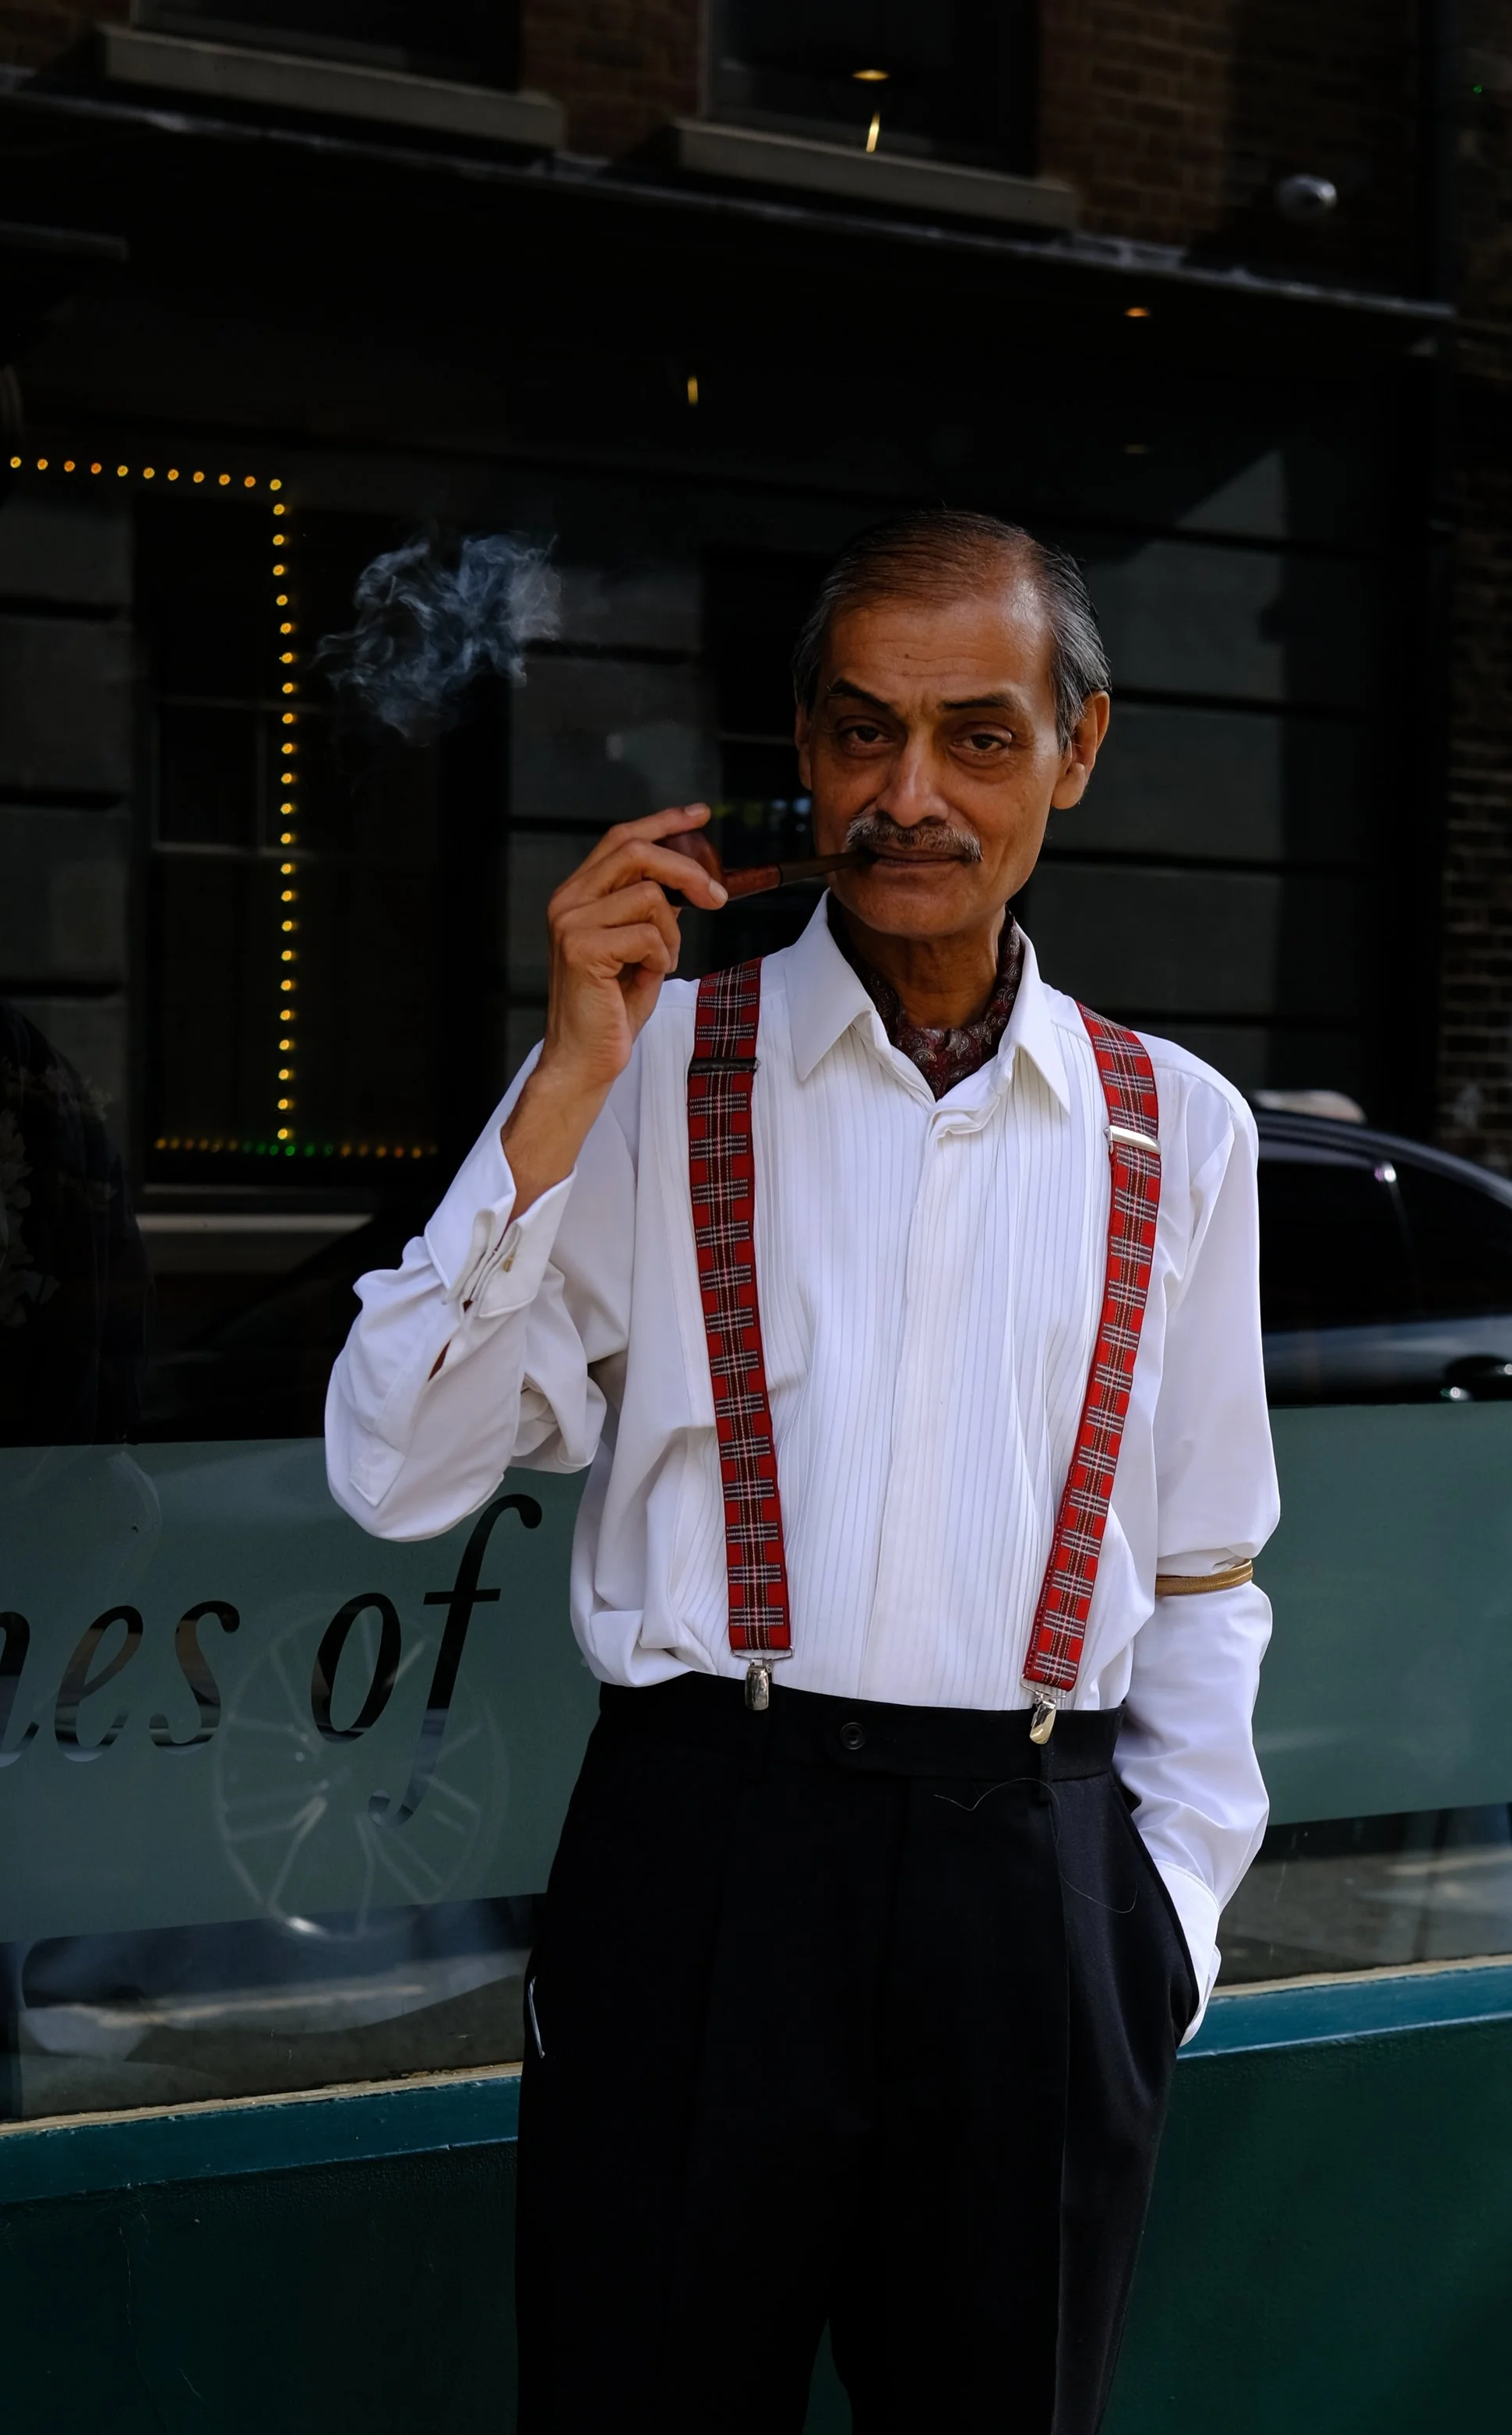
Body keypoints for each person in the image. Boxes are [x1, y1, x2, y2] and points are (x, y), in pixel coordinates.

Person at [326, 510, 1275, 2435]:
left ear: (1075, 754)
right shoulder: (655, 1067)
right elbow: (393, 1467)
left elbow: (1200, 1567)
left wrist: (1157, 1920)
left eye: (977, 737)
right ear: (802, 747)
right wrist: (563, 1084)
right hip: (707, 1860)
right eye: (862, 734)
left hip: (1036, 1885)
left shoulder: (1176, 1126)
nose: (907, 793)